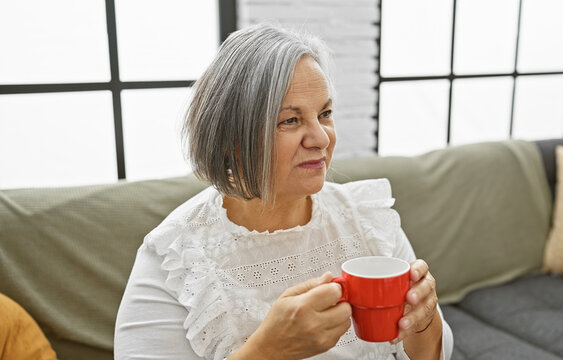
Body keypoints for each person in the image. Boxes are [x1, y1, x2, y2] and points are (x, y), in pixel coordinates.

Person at [114, 23, 453, 360]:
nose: (321, 137)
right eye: (290, 120)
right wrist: (266, 351)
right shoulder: (176, 256)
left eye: (325, 113)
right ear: (232, 137)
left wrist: (423, 322)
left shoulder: (366, 218)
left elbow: (433, 353)